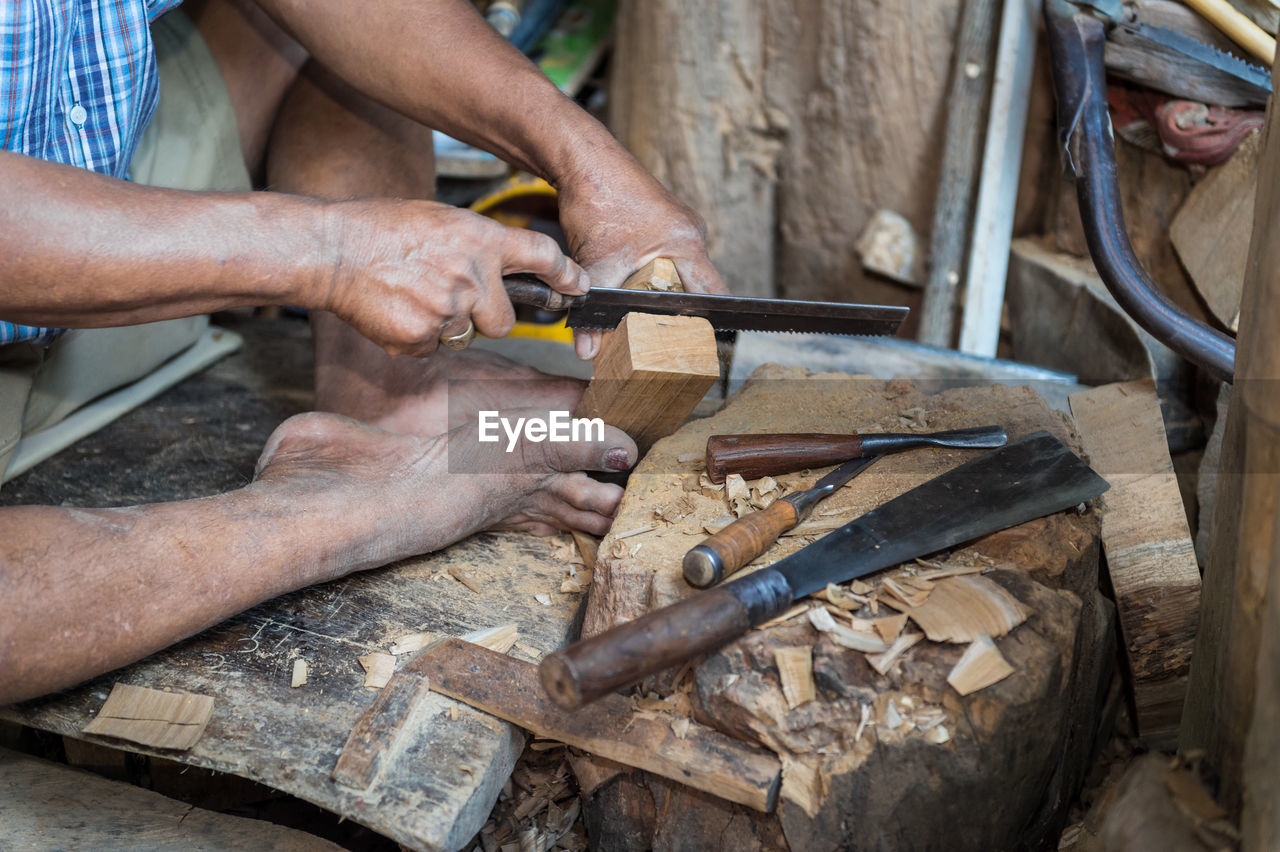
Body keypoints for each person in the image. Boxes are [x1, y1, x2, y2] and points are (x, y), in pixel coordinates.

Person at [0, 0, 728, 705]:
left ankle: (387, 397)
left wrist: (584, 160)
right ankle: (339, 502)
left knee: (325, 32)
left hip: (96, 177)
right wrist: (332, 251)